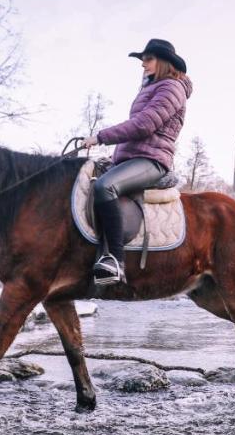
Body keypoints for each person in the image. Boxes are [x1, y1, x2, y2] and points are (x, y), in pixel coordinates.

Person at [82, 39, 192, 285]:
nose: (143, 65)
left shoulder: (171, 88)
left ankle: (115, 261)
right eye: (142, 61)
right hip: (132, 157)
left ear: (164, 62)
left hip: (151, 160)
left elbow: (144, 125)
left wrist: (100, 137)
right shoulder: (152, 88)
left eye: (148, 59)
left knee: (105, 186)